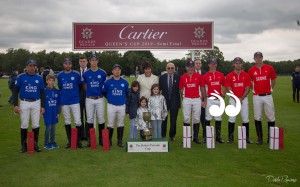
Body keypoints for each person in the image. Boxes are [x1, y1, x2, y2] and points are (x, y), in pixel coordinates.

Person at [13, 59, 45, 153]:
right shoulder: (20, 77)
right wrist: (15, 105)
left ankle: (35, 144)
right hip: (24, 102)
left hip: (36, 102)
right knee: (24, 124)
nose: (32, 67)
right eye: (30, 65)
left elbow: (42, 93)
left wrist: (42, 106)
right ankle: (23, 145)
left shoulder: (39, 78)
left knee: (36, 124)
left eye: (34, 66)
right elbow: (15, 92)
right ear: (26, 67)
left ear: (36, 67)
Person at [248, 52, 277, 145]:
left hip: (268, 96)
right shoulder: (251, 70)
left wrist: (270, 89)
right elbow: (250, 82)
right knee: (257, 117)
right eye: (256, 57)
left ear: (262, 58)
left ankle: (270, 137)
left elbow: (273, 79)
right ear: (254, 59)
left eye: (259, 57)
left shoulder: (269, 68)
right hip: (257, 97)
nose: (258, 59)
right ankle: (259, 138)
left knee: (271, 117)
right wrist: (254, 90)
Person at [57, 57, 83, 148]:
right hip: (64, 101)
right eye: (66, 63)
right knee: (67, 121)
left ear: (71, 65)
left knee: (77, 121)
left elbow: (80, 86)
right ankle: (70, 141)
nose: (67, 65)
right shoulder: (60, 75)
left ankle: (78, 141)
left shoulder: (76, 74)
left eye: (69, 63)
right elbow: (60, 87)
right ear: (63, 65)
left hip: (75, 101)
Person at [224, 57, 252, 144]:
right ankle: (230, 137)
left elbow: (247, 88)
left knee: (245, 118)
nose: (238, 64)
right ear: (233, 64)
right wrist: (236, 98)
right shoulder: (229, 75)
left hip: (243, 99)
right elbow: (228, 89)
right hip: (233, 100)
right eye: (236, 63)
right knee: (232, 118)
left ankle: (246, 137)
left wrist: (241, 98)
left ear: (242, 64)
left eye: (239, 63)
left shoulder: (246, 75)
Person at [179, 60, 207, 144]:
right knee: (186, 118)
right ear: (186, 67)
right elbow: (181, 89)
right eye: (189, 66)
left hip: (196, 99)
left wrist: (204, 99)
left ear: (194, 67)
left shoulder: (199, 76)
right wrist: (183, 97)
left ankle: (195, 136)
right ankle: (186, 136)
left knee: (196, 118)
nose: (190, 68)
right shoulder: (183, 77)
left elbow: (202, 88)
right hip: (187, 99)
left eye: (192, 67)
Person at [82, 54, 107, 146]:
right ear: (89, 61)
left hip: (100, 99)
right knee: (90, 119)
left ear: (97, 61)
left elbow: (105, 85)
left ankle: (101, 140)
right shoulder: (86, 74)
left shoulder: (103, 73)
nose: (94, 62)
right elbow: (85, 86)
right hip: (89, 99)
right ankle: (90, 140)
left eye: (95, 60)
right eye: (92, 60)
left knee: (101, 119)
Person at [103, 64, 129, 147]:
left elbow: (127, 93)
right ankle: (109, 140)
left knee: (120, 123)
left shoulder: (125, 82)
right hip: (111, 105)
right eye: (115, 69)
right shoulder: (108, 82)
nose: (117, 71)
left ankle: (119, 141)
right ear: (112, 71)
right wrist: (109, 99)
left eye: (118, 70)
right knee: (110, 124)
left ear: (120, 71)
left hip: (121, 105)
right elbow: (104, 92)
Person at [203, 58, 226, 143]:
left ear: (216, 64)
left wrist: (223, 95)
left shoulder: (221, 75)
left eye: (214, 63)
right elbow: (204, 89)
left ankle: (218, 136)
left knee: (218, 118)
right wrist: (205, 99)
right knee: (208, 117)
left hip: (218, 99)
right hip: (209, 99)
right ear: (208, 65)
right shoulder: (205, 76)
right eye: (211, 63)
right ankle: (207, 136)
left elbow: (224, 85)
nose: (213, 65)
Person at [159, 63, 181, 141]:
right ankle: (163, 135)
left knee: (173, 120)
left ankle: (172, 135)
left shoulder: (178, 77)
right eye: (169, 68)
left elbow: (181, 89)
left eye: (172, 68)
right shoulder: (162, 77)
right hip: (164, 101)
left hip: (175, 101)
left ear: (174, 69)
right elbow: (159, 90)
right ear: (166, 69)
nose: (170, 69)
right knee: (164, 119)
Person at [43, 74, 60, 149]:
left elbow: (59, 103)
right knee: (48, 127)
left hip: (54, 111)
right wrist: (41, 111)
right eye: (49, 80)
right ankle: (46, 143)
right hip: (47, 112)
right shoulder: (44, 91)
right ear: (46, 81)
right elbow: (42, 102)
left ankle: (52, 141)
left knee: (53, 127)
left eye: (53, 80)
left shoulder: (57, 91)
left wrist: (58, 112)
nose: (51, 82)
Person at [194, 59, 207, 143]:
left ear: (201, 64)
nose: (198, 65)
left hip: (202, 99)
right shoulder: (191, 73)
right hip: (194, 99)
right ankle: (195, 135)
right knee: (195, 117)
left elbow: (206, 87)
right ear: (194, 65)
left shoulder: (205, 74)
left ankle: (205, 135)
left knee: (203, 117)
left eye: (199, 63)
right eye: (196, 63)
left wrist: (204, 99)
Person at [78, 56, 89, 141]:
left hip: (88, 97)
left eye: (84, 61)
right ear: (79, 62)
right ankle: (81, 135)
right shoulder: (75, 73)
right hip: (78, 98)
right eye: (81, 61)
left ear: (87, 62)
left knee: (88, 117)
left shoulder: (90, 72)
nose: (82, 63)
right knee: (80, 117)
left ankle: (88, 135)